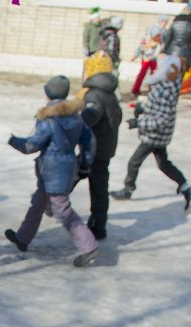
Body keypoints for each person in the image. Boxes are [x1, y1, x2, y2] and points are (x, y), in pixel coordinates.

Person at [4, 76, 98, 267]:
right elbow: (89, 141)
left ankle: (89, 247)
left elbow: (31, 145)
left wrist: (14, 141)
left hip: (53, 169)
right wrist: (85, 163)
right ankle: (23, 238)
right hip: (65, 165)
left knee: (61, 209)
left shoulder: (49, 119)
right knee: (38, 202)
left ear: (48, 94)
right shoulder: (75, 116)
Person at [111, 54, 191, 211]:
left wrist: (138, 122)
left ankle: (128, 189)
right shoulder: (166, 85)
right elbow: (157, 108)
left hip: (155, 134)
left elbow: (161, 119)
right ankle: (186, 187)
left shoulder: (165, 90)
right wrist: (143, 107)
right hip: (160, 134)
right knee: (163, 163)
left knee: (134, 162)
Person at [80, 60, 123, 241]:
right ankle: (99, 222)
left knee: (84, 179)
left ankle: (98, 225)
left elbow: (89, 118)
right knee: (99, 186)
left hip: (95, 149)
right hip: (105, 147)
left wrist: (74, 120)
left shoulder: (93, 96)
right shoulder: (110, 94)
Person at [132, 15, 168, 97]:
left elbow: (162, 45)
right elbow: (142, 46)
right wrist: (136, 55)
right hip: (147, 57)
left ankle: (152, 88)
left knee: (154, 73)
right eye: (163, 21)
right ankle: (136, 89)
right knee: (142, 72)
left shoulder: (164, 32)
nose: (164, 24)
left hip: (154, 57)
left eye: (166, 22)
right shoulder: (151, 33)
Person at [163, 3, 191, 80]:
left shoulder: (175, 22)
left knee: (169, 74)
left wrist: (164, 50)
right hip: (185, 54)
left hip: (172, 52)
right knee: (180, 77)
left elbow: (168, 38)